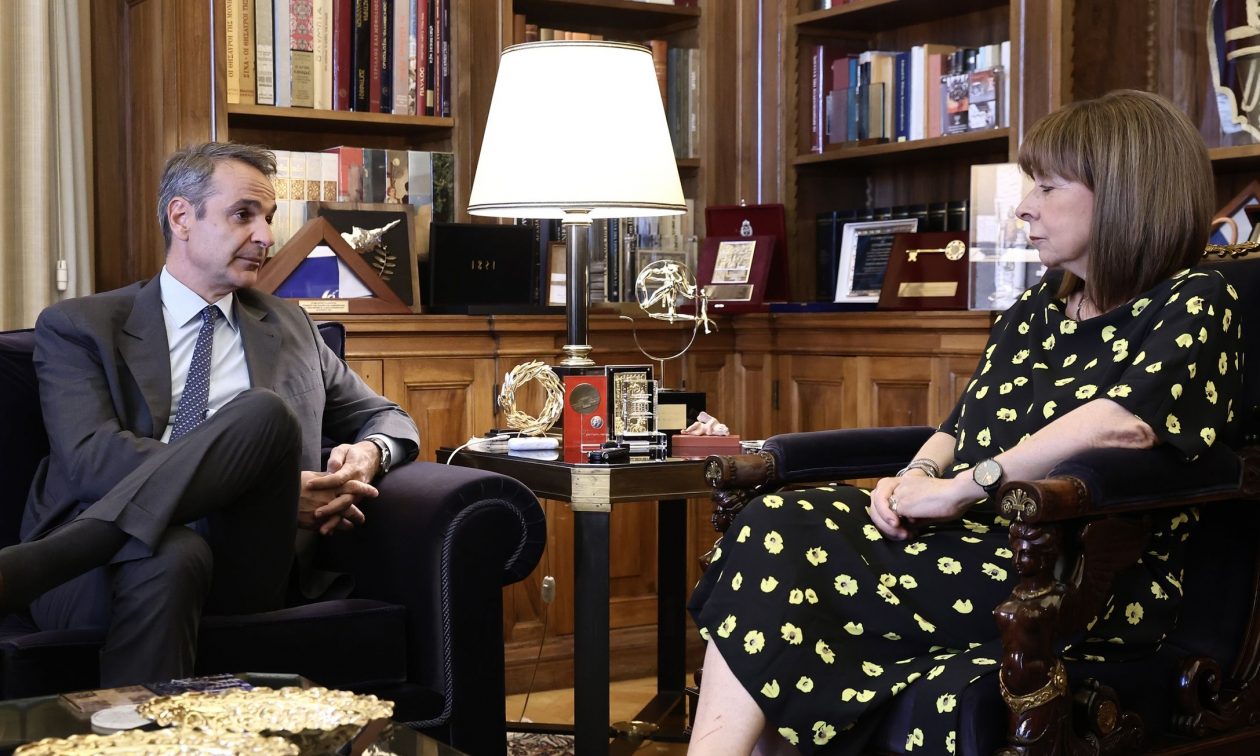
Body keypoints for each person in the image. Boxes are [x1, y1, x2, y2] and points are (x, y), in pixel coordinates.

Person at [687, 89, 1244, 755]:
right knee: (777, 519)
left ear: (1125, 194)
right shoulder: (1038, 308)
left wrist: (960, 488)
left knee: (782, 546)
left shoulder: (1195, 299)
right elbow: (961, 423)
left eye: (1047, 187)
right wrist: (912, 476)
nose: (1024, 207)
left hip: (1074, 576)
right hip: (967, 542)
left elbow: (1124, 423)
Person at [0, 142, 420, 686]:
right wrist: (261, 489)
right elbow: (91, 461)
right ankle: (141, 731)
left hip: (246, 562)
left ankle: (35, 565)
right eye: (244, 215)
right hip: (95, 574)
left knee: (263, 414)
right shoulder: (82, 326)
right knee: (172, 554)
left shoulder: (292, 327)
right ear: (181, 217)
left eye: (268, 218)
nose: (266, 236)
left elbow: (389, 416)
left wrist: (370, 452)